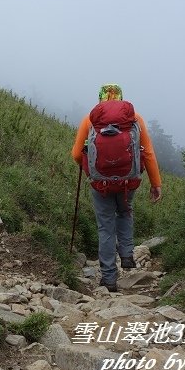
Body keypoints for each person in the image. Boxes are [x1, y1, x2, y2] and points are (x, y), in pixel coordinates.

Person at [71, 83, 163, 292]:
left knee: (105, 226)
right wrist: (156, 184)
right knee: (125, 212)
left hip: (100, 182)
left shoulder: (90, 120)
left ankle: (109, 279)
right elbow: (147, 153)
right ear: (121, 99)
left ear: (100, 99)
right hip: (127, 182)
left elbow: (76, 154)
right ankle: (127, 255)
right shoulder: (135, 119)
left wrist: (89, 166)